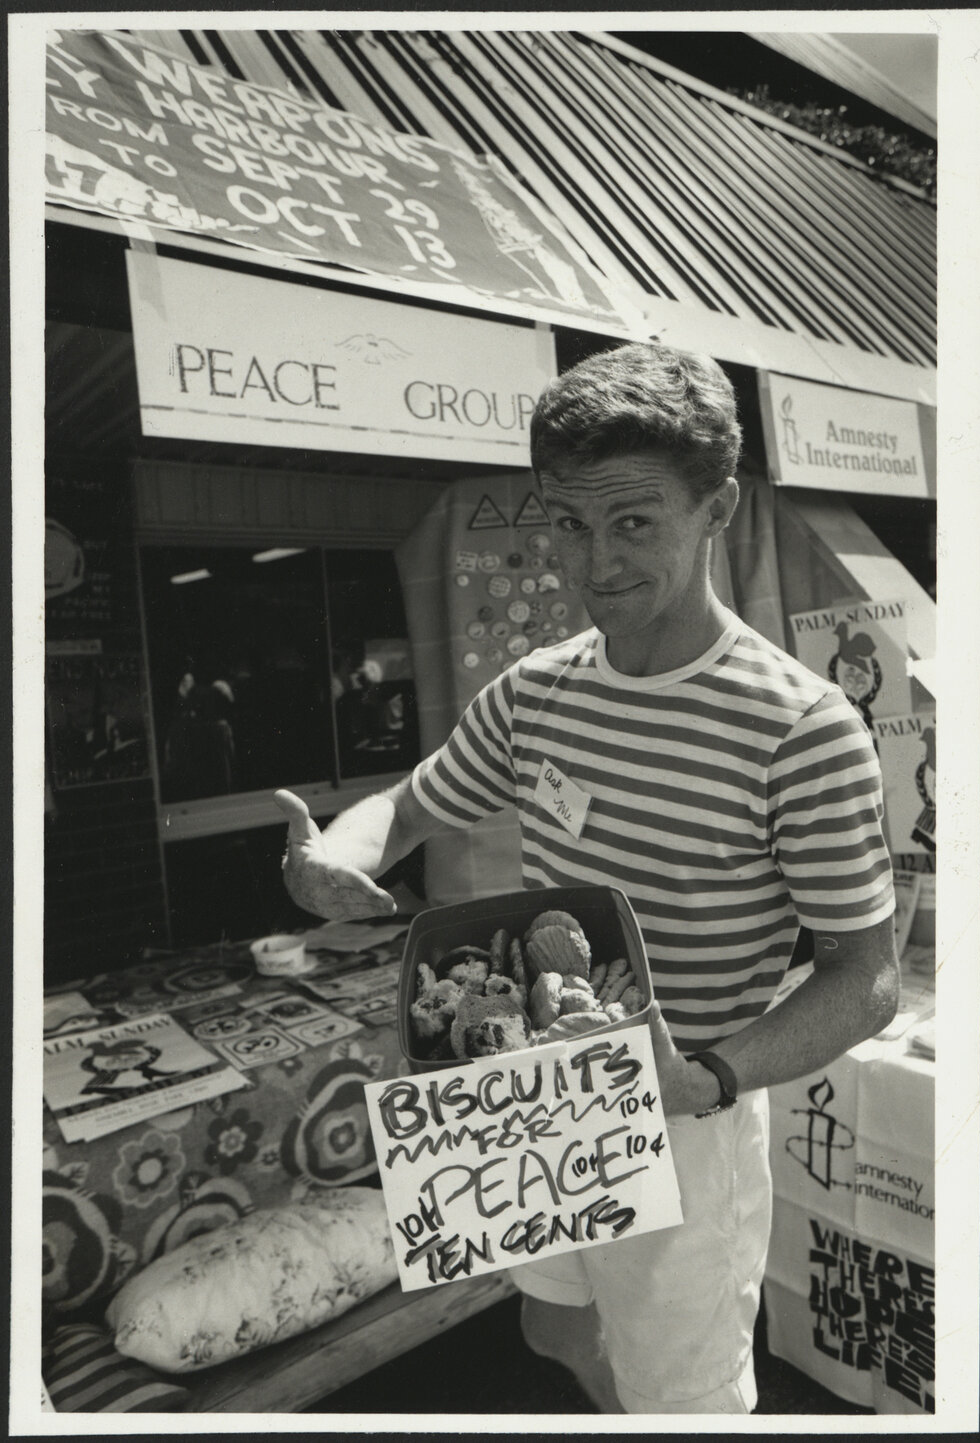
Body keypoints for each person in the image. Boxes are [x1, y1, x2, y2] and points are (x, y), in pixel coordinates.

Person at [275, 343, 898, 1415]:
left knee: (686, 1398)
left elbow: (863, 977)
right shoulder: (538, 692)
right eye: (567, 522)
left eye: (634, 522)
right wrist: (342, 854)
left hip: (689, 1112)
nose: (593, 560)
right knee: (552, 1326)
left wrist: (701, 1077)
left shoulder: (800, 727)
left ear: (720, 510)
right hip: (538, 1103)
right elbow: (409, 807)